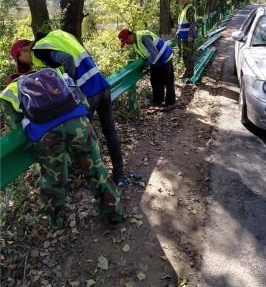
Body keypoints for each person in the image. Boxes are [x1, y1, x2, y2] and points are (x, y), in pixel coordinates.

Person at [0, 69, 123, 229]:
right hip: (78, 122)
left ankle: (57, 221)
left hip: (47, 134)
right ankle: (113, 214)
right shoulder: (53, 73)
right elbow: (83, 101)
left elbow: (16, 125)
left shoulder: (8, 92)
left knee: (53, 179)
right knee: (96, 168)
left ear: (11, 81)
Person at [10, 30, 124, 185]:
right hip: (101, 84)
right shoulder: (57, 36)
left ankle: (99, 179)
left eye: (22, 60)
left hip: (88, 92)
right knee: (109, 131)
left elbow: (67, 59)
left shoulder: (39, 49)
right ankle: (119, 174)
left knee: (86, 137)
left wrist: (68, 88)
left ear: (23, 50)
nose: (26, 64)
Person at [118, 29, 176, 112]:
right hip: (155, 61)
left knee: (168, 81)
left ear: (130, 36)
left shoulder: (143, 37)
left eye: (126, 41)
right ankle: (157, 101)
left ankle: (171, 103)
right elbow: (142, 55)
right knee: (155, 81)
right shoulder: (135, 42)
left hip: (165, 58)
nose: (126, 44)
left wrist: (145, 66)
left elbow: (154, 52)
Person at [176, 0, 198, 79]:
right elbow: (182, 24)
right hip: (184, 37)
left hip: (188, 38)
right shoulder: (184, 9)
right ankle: (187, 72)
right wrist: (178, 31)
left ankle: (189, 74)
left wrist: (190, 37)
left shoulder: (189, 9)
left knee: (188, 55)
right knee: (185, 55)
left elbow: (192, 24)